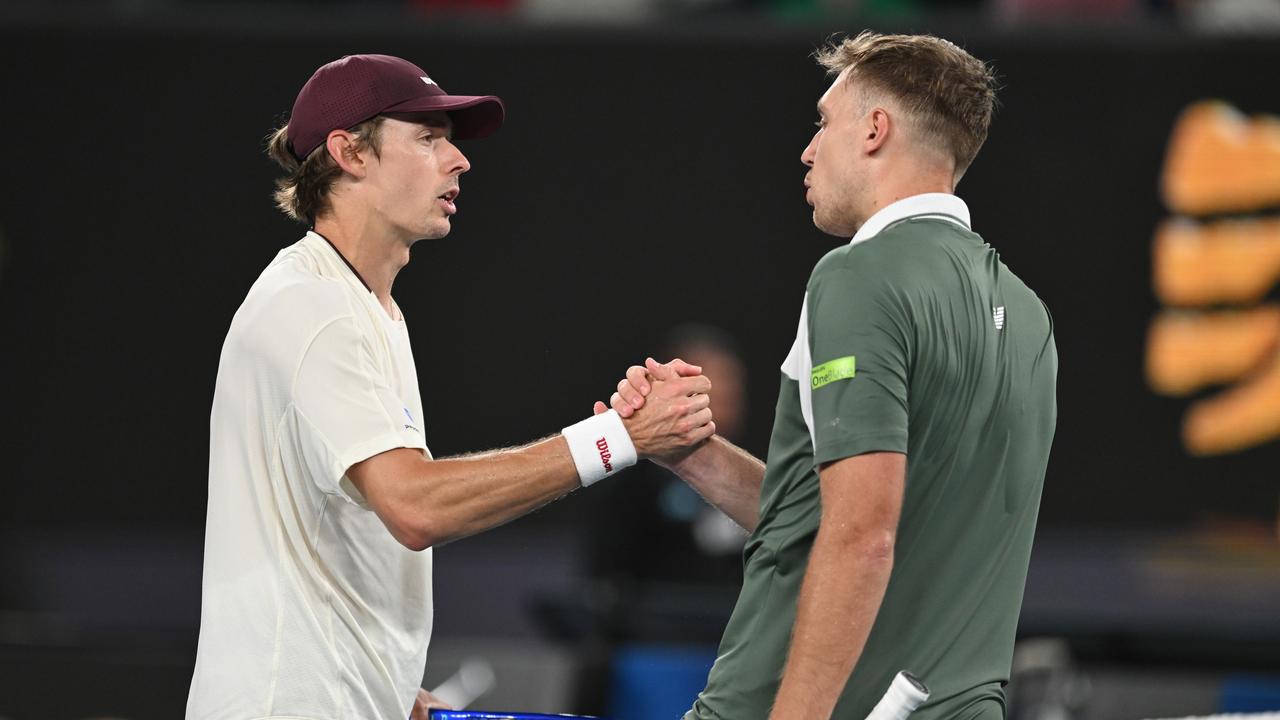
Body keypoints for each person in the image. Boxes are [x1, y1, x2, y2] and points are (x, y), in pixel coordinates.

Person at [185, 54, 715, 720]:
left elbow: (340, 532)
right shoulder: (313, 310)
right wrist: (620, 438)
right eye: (428, 138)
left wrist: (383, 688)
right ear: (350, 153)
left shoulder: (368, 309)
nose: (458, 160)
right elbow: (415, 507)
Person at [610, 31, 1057, 720]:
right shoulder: (1028, 316)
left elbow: (861, 536)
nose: (808, 149)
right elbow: (845, 516)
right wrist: (689, 455)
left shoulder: (856, 277)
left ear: (875, 130)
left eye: (822, 122)